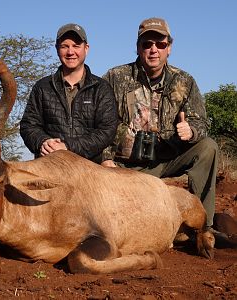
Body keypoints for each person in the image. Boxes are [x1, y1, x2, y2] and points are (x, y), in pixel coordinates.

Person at [102, 17, 218, 231]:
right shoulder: (114, 77)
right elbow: (100, 121)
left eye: (160, 44)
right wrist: (106, 158)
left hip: (167, 160)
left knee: (208, 147)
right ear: (138, 48)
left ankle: (204, 227)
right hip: (125, 166)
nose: (154, 50)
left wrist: (191, 130)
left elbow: (200, 121)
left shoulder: (185, 80)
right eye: (147, 44)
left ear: (169, 48)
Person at [20, 23, 118, 163]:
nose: (70, 52)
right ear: (57, 49)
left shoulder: (101, 88)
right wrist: (42, 142)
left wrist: (68, 147)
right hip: (49, 164)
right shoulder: (42, 87)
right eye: (64, 46)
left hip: (89, 168)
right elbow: (28, 125)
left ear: (86, 48)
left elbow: (107, 131)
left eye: (76, 46)